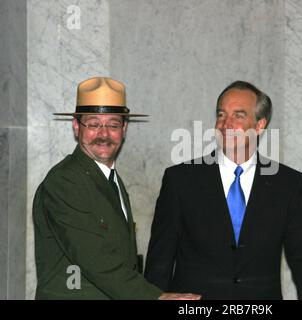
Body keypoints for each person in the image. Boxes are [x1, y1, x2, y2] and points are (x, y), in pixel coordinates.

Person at [144, 80, 302, 299]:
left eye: (238, 116)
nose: (226, 124)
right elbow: (160, 259)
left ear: (259, 126)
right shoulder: (180, 180)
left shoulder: (287, 183)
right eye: (221, 115)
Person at [33, 77, 200, 300]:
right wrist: (154, 297)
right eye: (93, 124)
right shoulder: (65, 181)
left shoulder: (111, 180)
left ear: (124, 128)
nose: (103, 134)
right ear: (76, 126)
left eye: (113, 124)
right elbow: (94, 256)